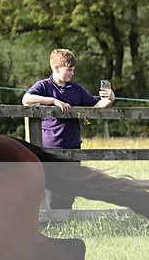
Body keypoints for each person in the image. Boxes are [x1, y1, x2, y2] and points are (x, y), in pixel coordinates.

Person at [22, 48, 116, 208]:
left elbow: (96, 105)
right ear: (56, 68)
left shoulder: (76, 89)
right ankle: (51, 219)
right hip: (50, 147)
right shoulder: (44, 86)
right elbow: (26, 99)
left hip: (72, 145)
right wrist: (53, 101)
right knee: (50, 188)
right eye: (69, 69)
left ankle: (66, 217)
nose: (72, 73)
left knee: (70, 189)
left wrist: (110, 99)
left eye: (73, 70)